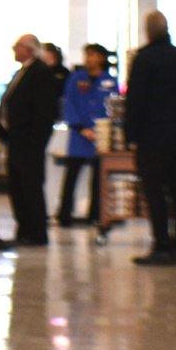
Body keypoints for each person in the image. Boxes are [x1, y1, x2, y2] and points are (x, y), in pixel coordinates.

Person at [124, 11, 176, 266]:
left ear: (148, 31)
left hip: (153, 138)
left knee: (155, 191)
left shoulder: (144, 60)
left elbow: (136, 101)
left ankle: (161, 244)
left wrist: (130, 135)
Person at [0, 33, 58, 247]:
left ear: (29, 49)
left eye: (18, 46)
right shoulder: (22, 72)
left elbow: (44, 112)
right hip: (17, 141)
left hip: (29, 143)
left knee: (30, 186)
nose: (14, 49)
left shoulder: (40, 73)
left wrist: (35, 141)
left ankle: (36, 233)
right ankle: (24, 230)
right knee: (19, 187)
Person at [56, 43, 115, 227]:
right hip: (80, 134)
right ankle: (64, 215)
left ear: (102, 58)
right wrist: (80, 127)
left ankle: (95, 215)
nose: (90, 59)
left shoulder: (109, 81)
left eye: (94, 55)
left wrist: (103, 129)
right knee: (71, 175)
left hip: (101, 135)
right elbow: (69, 103)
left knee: (99, 178)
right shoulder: (75, 79)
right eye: (87, 55)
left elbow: (112, 106)